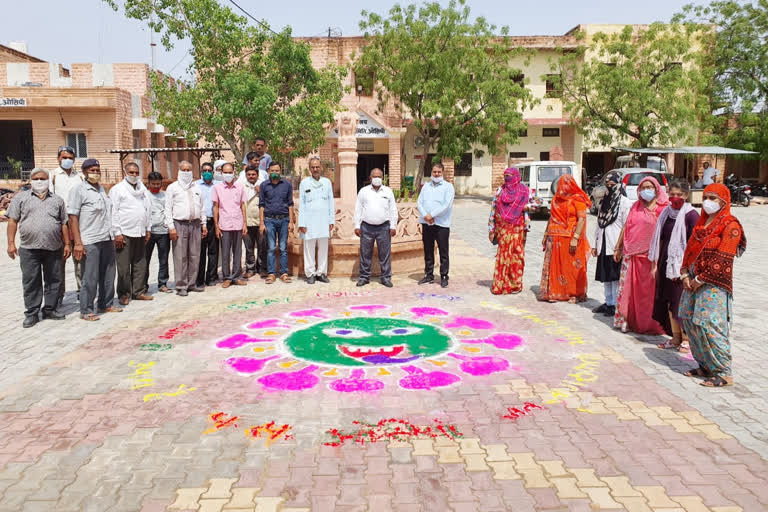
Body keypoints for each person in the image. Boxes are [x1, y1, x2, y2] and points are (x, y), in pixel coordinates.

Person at [679, 184, 746, 387]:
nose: (708, 201)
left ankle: (724, 372)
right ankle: (705, 365)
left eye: (713, 198)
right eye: (706, 196)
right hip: (692, 280)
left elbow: (723, 258)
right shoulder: (702, 223)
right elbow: (689, 249)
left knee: (710, 326)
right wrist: (684, 274)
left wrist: (700, 280)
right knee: (690, 322)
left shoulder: (730, 225)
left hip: (713, 283)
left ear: (724, 201)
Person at [7, 168, 70, 327]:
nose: (40, 181)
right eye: (36, 178)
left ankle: (50, 308)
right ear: (31, 180)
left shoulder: (57, 200)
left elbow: (64, 223)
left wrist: (67, 243)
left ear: (48, 180)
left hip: (54, 247)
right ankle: (32, 313)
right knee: (31, 281)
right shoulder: (20, 198)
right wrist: (10, 243)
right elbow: (12, 221)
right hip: (29, 249)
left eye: (43, 178)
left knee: (54, 279)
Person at [613, 176, 668, 334]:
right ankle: (628, 320)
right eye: (643, 187)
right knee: (630, 292)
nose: (646, 190)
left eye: (649, 187)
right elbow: (626, 227)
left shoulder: (663, 209)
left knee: (649, 294)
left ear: (656, 189)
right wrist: (618, 247)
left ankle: (653, 324)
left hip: (652, 258)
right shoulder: (635, 207)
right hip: (632, 256)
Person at [648, 181, 699, 350]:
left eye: (679, 194)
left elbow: (696, 244)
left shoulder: (691, 215)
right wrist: (656, 264)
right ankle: (675, 338)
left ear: (686, 195)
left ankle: (686, 339)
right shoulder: (666, 214)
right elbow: (661, 239)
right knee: (669, 302)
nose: (675, 198)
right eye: (672, 194)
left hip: (682, 266)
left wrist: (687, 270)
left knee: (680, 303)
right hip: (666, 263)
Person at [68, 159, 121, 321]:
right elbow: (72, 217)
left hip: (106, 237)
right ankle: (86, 309)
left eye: (98, 170)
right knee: (89, 276)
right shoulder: (78, 190)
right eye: (92, 170)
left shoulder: (101, 190)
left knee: (108, 274)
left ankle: (106, 303)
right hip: (89, 239)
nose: (95, 173)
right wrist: (77, 242)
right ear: (84, 172)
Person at [537, 174, 591, 303]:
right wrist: (545, 234)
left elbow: (582, 219)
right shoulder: (556, 199)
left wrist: (576, 238)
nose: (563, 187)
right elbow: (551, 218)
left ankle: (575, 293)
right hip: (554, 237)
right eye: (561, 184)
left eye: (566, 184)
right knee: (555, 267)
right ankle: (555, 292)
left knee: (571, 266)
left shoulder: (578, 199)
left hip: (571, 238)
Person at [110, 162, 153, 305]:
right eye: (131, 172)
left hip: (140, 231)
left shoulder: (143, 190)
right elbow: (113, 212)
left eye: (136, 172)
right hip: (125, 233)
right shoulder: (117, 190)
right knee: (123, 266)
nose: (134, 175)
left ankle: (138, 291)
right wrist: (117, 233)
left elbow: (148, 210)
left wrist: (148, 229)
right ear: (125, 173)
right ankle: (124, 293)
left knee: (140, 263)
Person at [591, 171, 631, 316]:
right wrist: (595, 245)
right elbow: (599, 223)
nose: (610, 187)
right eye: (607, 184)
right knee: (605, 275)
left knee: (614, 276)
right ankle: (608, 302)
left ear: (619, 185)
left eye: (613, 184)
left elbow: (626, 225)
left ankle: (615, 304)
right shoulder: (603, 201)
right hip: (603, 242)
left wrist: (619, 247)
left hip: (615, 244)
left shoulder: (625, 202)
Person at [488, 167, 534, 295]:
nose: (507, 178)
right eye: (505, 176)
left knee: (516, 255)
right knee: (503, 256)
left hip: (518, 228)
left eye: (510, 176)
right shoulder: (500, 191)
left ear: (516, 176)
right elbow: (493, 210)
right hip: (503, 229)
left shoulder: (525, 191)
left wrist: (527, 207)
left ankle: (515, 284)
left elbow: (537, 203)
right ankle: (500, 284)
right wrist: (491, 229)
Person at [165, 160, 207, 296]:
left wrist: (203, 224)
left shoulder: (196, 188)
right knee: (180, 256)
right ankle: (181, 285)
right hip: (179, 224)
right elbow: (167, 209)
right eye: (184, 170)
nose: (186, 172)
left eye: (189, 170)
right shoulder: (172, 188)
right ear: (179, 171)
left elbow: (201, 207)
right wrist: (171, 227)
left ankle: (192, 283)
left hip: (195, 224)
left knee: (195, 255)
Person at [50, 145, 83, 306]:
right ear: (58, 158)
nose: (67, 160)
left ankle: (82, 291)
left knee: (80, 258)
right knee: (59, 260)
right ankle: (58, 295)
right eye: (64, 157)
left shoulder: (80, 177)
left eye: (70, 158)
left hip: (77, 222)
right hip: (58, 223)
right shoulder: (52, 176)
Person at [354, 168, 398, 288]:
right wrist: (357, 226)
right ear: (370, 178)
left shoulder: (388, 191)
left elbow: (393, 209)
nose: (377, 178)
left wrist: (393, 225)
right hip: (366, 227)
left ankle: (386, 277)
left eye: (379, 176)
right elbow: (358, 209)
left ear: (382, 178)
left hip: (384, 227)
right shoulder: (363, 191)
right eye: (374, 176)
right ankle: (364, 277)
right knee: (365, 253)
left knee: (385, 254)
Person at [298, 157, 335, 284]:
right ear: (309, 169)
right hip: (309, 221)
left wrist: (331, 220)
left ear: (321, 168)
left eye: (317, 167)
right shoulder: (304, 183)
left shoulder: (327, 182)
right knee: (309, 247)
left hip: (324, 220)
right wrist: (301, 223)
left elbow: (331, 202)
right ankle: (310, 273)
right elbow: (301, 204)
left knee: (323, 247)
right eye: (313, 167)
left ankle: (321, 273)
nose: (315, 169)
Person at [417, 162, 455, 288]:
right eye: (434, 172)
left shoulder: (448, 187)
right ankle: (429, 274)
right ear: (431, 172)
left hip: (441, 224)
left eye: (439, 172)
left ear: (442, 172)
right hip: (426, 223)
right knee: (428, 250)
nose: (436, 174)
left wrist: (432, 215)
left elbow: (446, 205)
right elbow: (419, 202)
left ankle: (444, 275)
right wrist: (426, 216)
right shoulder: (426, 186)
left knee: (443, 251)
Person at [213, 163, 248, 288]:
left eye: (230, 172)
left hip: (238, 223)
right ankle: (227, 277)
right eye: (225, 172)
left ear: (234, 172)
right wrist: (216, 226)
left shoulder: (240, 187)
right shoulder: (217, 188)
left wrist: (244, 223)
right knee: (226, 252)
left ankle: (237, 276)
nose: (228, 174)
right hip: (224, 224)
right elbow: (215, 207)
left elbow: (243, 205)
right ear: (222, 173)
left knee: (238, 251)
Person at [259, 162, 295, 284]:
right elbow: (262, 205)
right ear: (269, 171)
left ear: (280, 171)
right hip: (269, 220)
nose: (275, 173)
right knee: (271, 248)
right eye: (273, 170)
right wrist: (261, 223)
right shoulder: (264, 185)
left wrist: (291, 221)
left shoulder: (287, 185)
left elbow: (290, 204)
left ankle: (284, 273)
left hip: (284, 219)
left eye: (277, 170)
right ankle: (271, 273)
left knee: (283, 247)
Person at [145, 172, 173, 293]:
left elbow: (168, 211)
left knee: (163, 258)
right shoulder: (144, 195)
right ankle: (142, 285)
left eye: (158, 184)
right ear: (148, 183)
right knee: (145, 259)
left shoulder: (165, 196)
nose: (156, 186)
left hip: (163, 232)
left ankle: (162, 283)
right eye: (153, 184)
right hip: (149, 232)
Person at [196, 162, 219, 287]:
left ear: (213, 172)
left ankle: (211, 277)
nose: (207, 173)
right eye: (205, 170)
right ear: (201, 172)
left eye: (209, 170)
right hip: (200, 223)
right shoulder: (196, 185)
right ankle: (199, 279)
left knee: (213, 251)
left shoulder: (218, 186)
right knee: (200, 251)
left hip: (214, 222)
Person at [242, 165, 267, 278]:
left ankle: (262, 268)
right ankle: (250, 268)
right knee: (249, 247)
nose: (251, 176)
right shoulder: (241, 187)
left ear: (257, 175)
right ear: (246, 175)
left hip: (260, 222)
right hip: (247, 222)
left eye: (253, 174)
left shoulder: (264, 186)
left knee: (262, 246)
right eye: (249, 174)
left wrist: (261, 192)